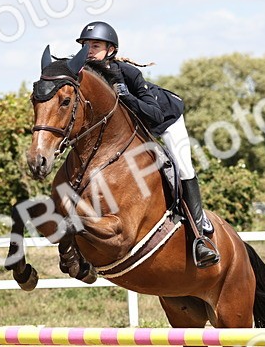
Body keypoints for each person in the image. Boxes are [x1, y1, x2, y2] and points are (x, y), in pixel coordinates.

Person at [75, 21, 220, 268]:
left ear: (110, 49)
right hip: (134, 129)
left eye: (95, 45)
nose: (89, 50)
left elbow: (154, 114)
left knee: (182, 167)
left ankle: (199, 235)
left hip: (165, 119)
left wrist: (126, 96)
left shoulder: (128, 73)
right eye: (85, 45)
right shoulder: (84, 74)